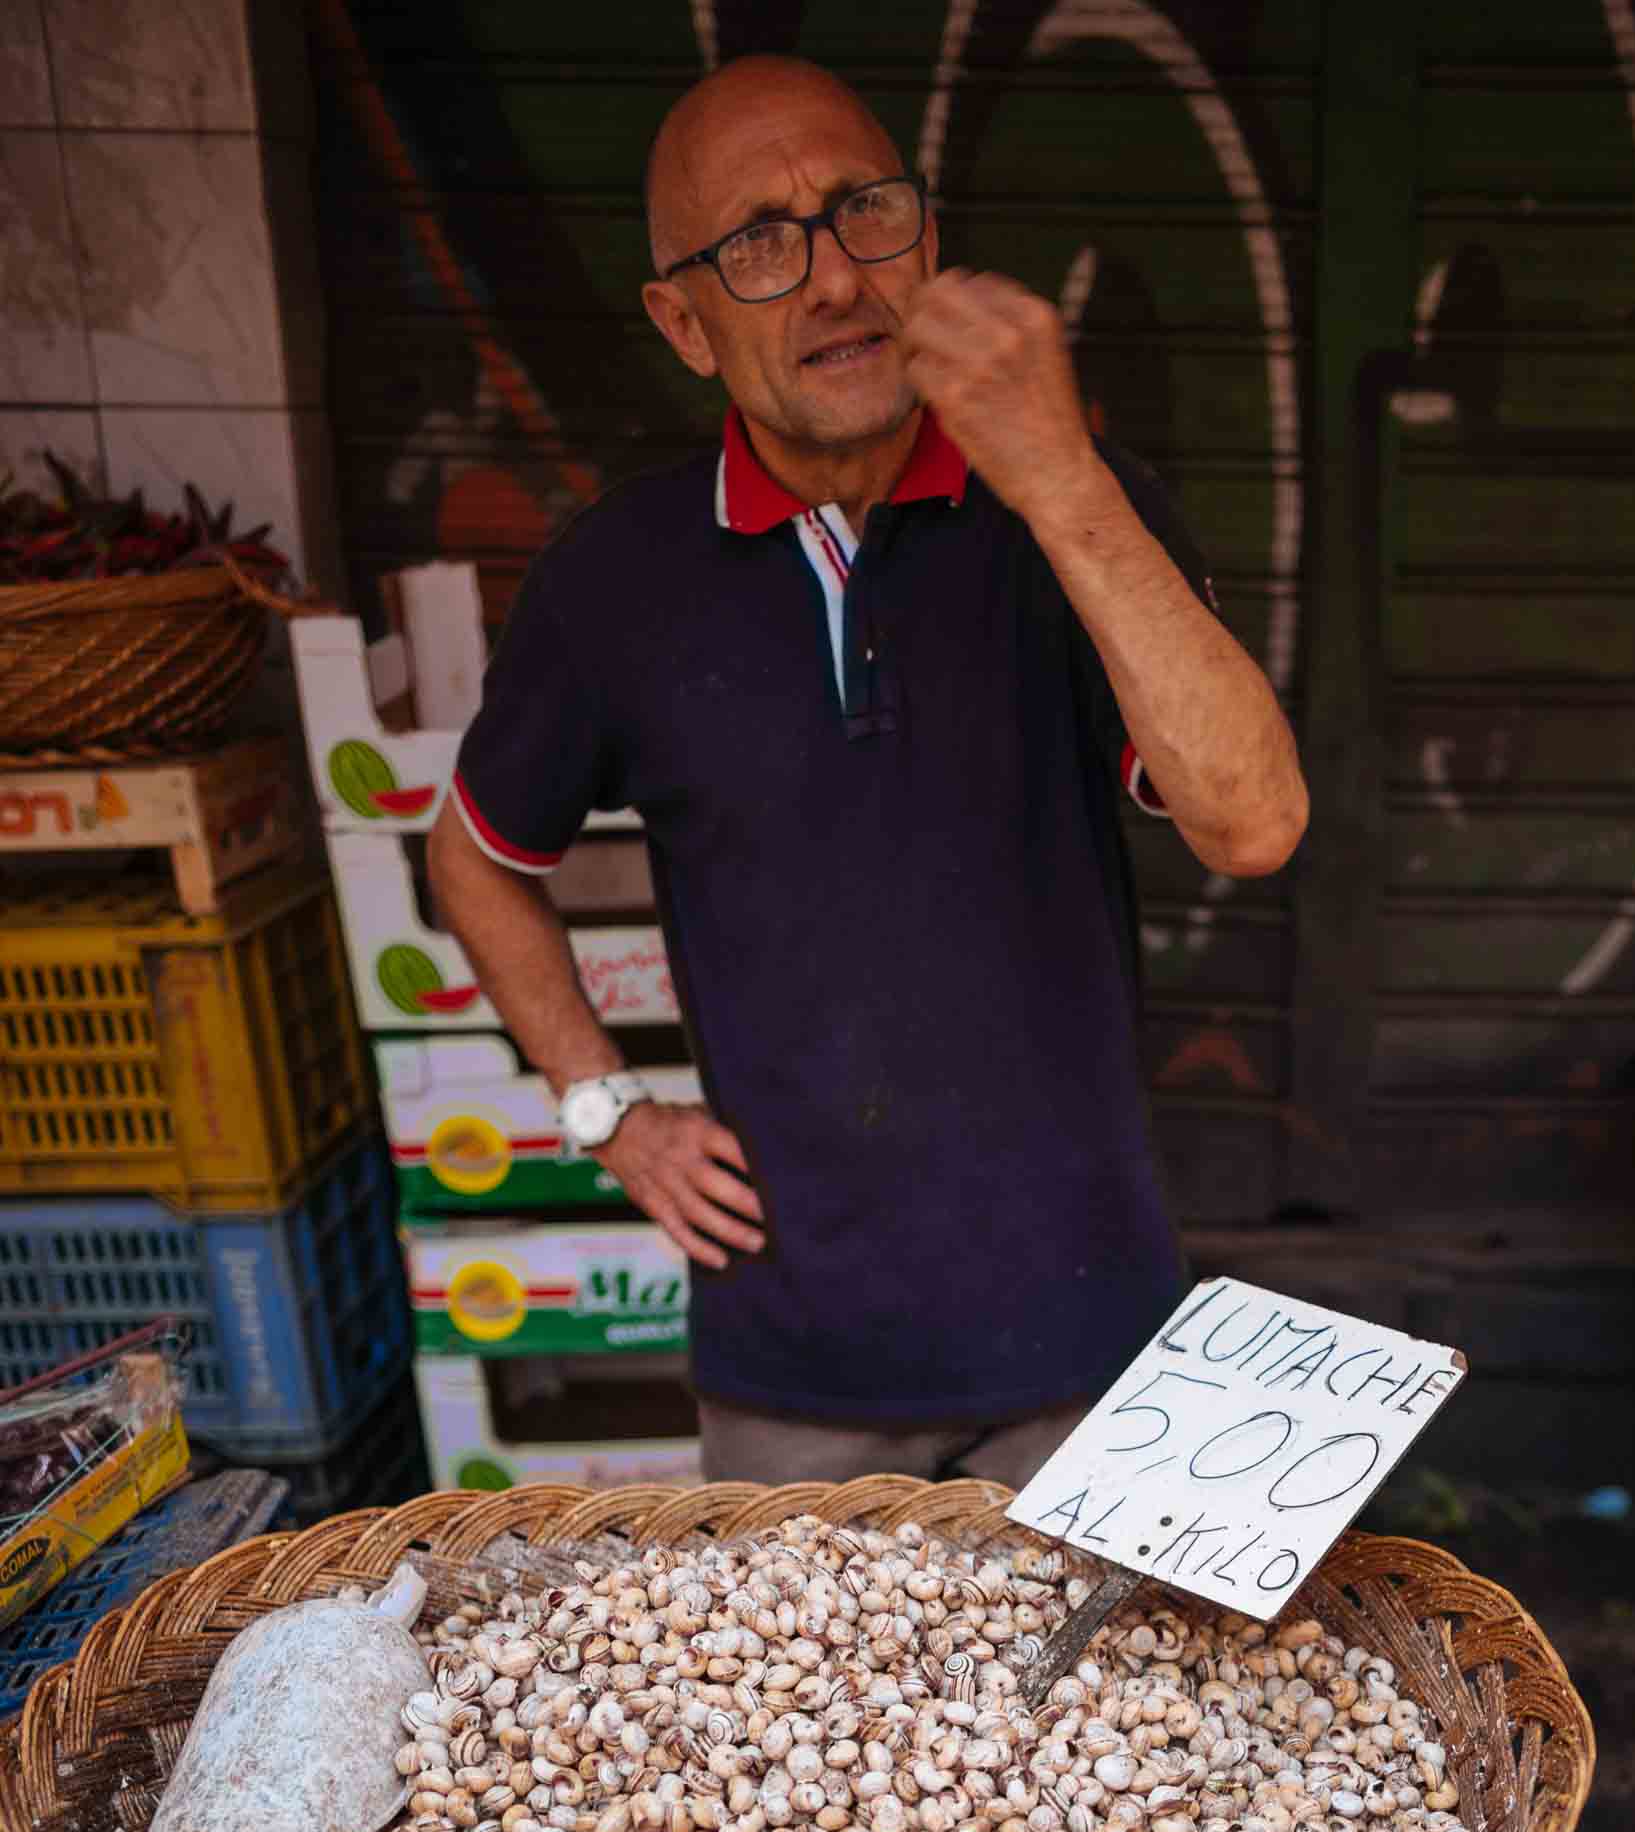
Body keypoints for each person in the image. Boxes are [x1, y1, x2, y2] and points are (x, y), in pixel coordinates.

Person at [430, 53, 1307, 1486]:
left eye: (865, 212)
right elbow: (477, 858)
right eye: (761, 244)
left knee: (1114, 1719)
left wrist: (1062, 473)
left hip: (1100, 1351)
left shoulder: (1086, 507)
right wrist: (609, 1113)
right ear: (685, 322)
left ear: (931, 242)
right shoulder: (617, 579)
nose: (834, 278)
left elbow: (1255, 820)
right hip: (797, 1382)